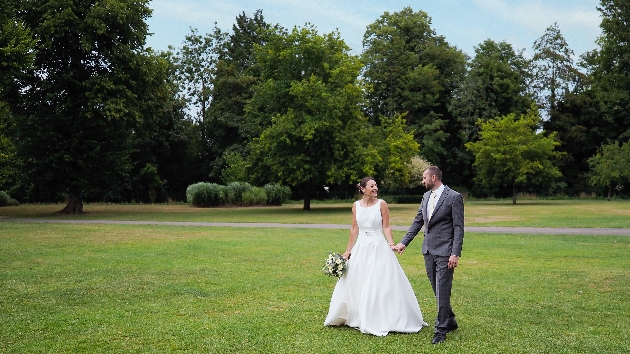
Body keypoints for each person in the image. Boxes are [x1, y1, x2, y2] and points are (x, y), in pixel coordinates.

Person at [324, 177, 427, 336]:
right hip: (361, 246)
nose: (375, 188)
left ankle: (381, 316)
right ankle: (356, 315)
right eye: (372, 186)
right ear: (363, 189)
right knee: (356, 280)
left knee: (380, 281)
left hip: (378, 246)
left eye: (376, 185)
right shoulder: (356, 206)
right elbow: (354, 229)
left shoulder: (382, 204)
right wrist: (347, 251)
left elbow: (386, 226)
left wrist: (391, 243)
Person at [395, 166, 464, 344]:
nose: (422, 181)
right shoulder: (426, 196)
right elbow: (418, 222)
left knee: (442, 290)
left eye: (424, 178)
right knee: (437, 289)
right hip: (428, 250)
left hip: (445, 252)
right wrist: (404, 242)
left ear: (433, 177)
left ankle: (441, 330)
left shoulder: (454, 197)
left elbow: (458, 228)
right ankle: (451, 320)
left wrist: (455, 253)